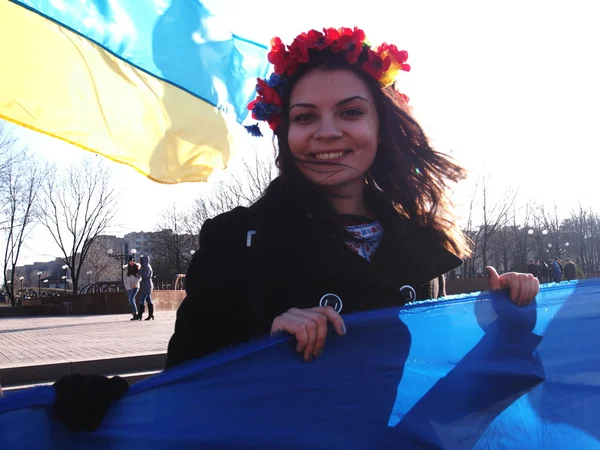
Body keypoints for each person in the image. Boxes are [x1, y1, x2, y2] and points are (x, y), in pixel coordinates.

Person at [53, 26, 539, 432]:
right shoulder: (233, 241)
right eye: (305, 117)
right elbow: (189, 382)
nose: (327, 132)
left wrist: (502, 327)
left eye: (350, 112)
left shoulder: (420, 247)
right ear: (285, 134)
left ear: (380, 126)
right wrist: (262, 337)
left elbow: (434, 398)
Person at [125, 256, 142, 320]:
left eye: (133, 261)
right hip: (129, 287)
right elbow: (125, 278)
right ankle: (135, 315)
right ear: (129, 262)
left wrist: (135, 283)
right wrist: (126, 286)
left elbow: (140, 278)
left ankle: (135, 313)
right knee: (131, 300)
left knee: (131, 299)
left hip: (135, 286)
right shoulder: (127, 269)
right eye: (130, 261)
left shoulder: (136, 268)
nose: (132, 262)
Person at [138, 255, 154, 321]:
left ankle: (140, 314)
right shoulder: (144, 267)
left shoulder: (147, 267)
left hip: (147, 285)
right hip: (145, 284)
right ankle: (151, 314)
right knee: (148, 300)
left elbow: (145, 275)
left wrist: (139, 272)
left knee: (142, 299)